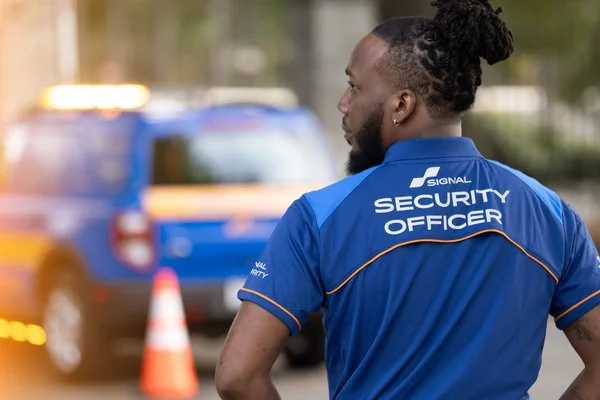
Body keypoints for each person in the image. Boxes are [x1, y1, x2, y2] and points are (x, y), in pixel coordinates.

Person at [215, 0, 600, 399]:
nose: (343, 105)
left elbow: (237, 376)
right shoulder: (547, 211)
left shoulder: (320, 216)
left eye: (354, 87)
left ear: (401, 105)